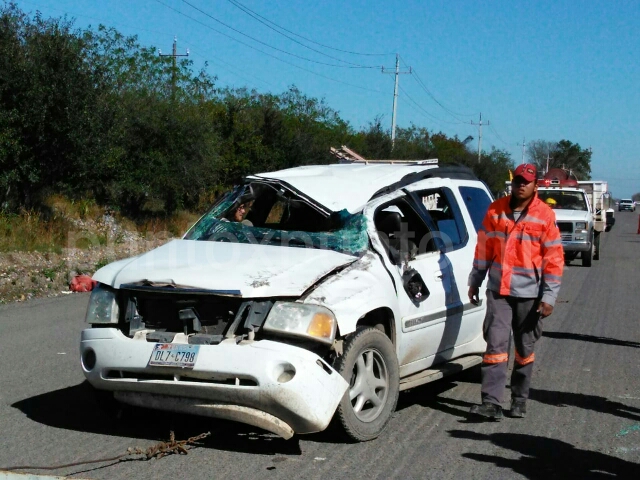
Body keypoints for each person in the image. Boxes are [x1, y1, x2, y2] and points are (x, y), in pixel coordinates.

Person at [467, 163, 564, 420]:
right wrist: (475, 280)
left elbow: (554, 259)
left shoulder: (544, 216)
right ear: (512, 183)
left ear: (535, 186)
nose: (521, 185)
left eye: (527, 182)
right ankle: (491, 403)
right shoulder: (495, 210)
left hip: (530, 295)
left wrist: (549, 297)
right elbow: (483, 249)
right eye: (518, 180)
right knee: (495, 346)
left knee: (524, 348)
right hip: (499, 291)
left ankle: (519, 399)